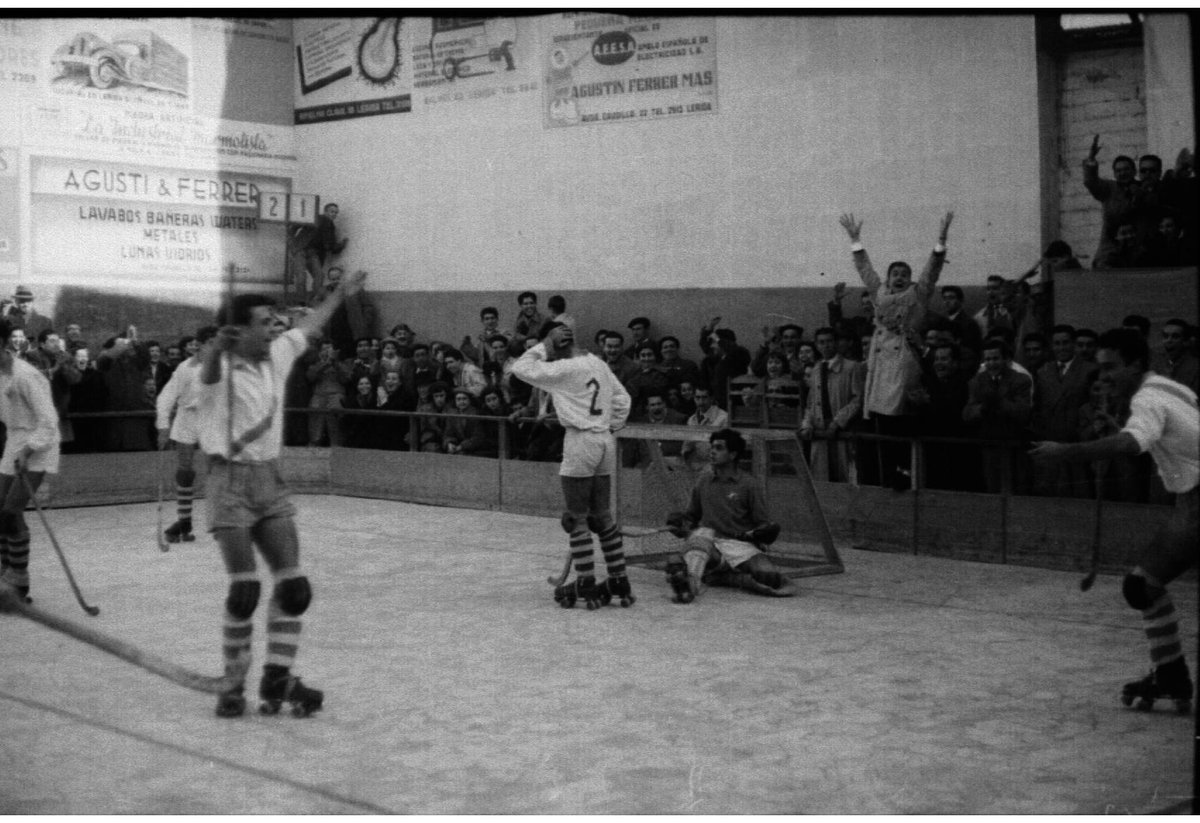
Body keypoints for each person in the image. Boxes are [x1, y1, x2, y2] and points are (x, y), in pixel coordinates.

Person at [197, 268, 368, 718]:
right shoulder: (217, 370)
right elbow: (209, 373)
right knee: (244, 592)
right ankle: (233, 683)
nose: (274, 326)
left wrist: (339, 294)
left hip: (270, 480)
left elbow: (308, 326)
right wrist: (217, 346)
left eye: (274, 320)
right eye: (264, 321)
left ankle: (277, 676)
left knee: (294, 588)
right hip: (229, 483)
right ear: (238, 331)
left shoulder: (277, 354)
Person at [1030, 328, 1199, 712]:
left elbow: (1131, 443)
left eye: (1111, 368)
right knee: (1142, 586)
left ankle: (1171, 676)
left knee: (1142, 586)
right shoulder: (1169, 387)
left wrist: (1065, 452)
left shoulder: (1146, 399)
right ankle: (1171, 676)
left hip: (1195, 505)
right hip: (1190, 503)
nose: (1104, 377)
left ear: (1136, 364)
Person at [510, 319, 634, 609]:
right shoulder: (598, 363)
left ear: (556, 343)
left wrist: (545, 345)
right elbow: (623, 400)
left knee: (575, 518)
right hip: (604, 440)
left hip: (580, 440)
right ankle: (619, 579)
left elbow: (520, 368)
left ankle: (586, 581)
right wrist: (608, 426)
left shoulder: (564, 368)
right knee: (602, 516)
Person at [839, 210, 953, 489]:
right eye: (895, 274)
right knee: (881, 428)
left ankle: (905, 475)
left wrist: (941, 241)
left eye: (905, 274)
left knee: (901, 423)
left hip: (904, 362)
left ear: (910, 279)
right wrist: (855, 240)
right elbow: (865, 269)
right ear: (888, 278)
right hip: (880, 368)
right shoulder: (878, 293)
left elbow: (932, 271)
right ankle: (886, 476)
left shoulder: (917, 295)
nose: (899, 277)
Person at [663, 428, 796, 603]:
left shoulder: (749, 485)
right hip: (710, 543)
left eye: (719, 448)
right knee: (699, 539)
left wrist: (765, 532)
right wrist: (679, 524)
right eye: (712, 447)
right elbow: (691, 517)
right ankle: (690, 587)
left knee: (768, 576)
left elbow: (762, 523)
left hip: (740, 546)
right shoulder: (703, 481)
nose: (712, 451)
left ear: (733, 455)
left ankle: (723, 575)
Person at [0, 318, 60, 604]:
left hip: (41, 441)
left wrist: (28, 449)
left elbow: (48, 421)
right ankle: (4, 573)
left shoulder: (26, 376)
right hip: (14, 440)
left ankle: (19, 580)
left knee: (11, 511)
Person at [155, 325, 218, 542]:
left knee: (217, 470)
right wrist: (163, 426)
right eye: (211, 344)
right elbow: (165, 397)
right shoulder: (185, 368)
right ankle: (184, 521)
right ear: (200, 345)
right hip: (187, 419)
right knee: (185, 471)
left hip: (211, 419)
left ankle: (218, 521)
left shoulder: (224, 365)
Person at [963, 338, 1033, 494]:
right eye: (988, 359)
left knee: (1016, 486)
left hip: (1014, 443)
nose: (991, 363)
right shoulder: (977, 381)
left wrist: (999, 402)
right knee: (992, 486)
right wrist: (983, 408)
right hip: (989, 442)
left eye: (995, 358)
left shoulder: (1021, 380)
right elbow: (967, 413)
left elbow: (1023, 411)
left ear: (1006, 360)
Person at [800, 327, 865, 482]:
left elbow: (857, 399)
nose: (826, 346)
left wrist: (838, 422)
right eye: (822, 342)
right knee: (821, 477)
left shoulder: (851, 367)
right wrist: (807, 424)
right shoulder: (816, 369)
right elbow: (811, 402)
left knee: (844, 476)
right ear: (817, 345)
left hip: (842, 430)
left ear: (836, 343)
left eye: (829, 341)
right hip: (820, 430)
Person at [1082, 136, 1144, 269]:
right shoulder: (1109, 189)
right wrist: (1091, 158)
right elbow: (1091, 182)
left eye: (1126, 169)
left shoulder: (1141, 189)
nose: (1123, 173)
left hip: (1137, 248)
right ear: (1114, 174)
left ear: (1134, 171)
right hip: (1111, 249)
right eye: (1118, 171)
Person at [299, 203, 348, 305]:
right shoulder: (327, 222)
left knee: (307, 276)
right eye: (332, 211)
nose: (334, 214)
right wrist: (342, 244)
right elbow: (329, 245)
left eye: (336, 212)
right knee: (319, 276)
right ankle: (314, 302)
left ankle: (305, 301)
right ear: (325, 212)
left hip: (301, 250)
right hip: (312, 252)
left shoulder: (315, 219)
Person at [1152, 319, 1198, 393]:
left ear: (1185, 341)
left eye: (1175, 337)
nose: (1169, 340)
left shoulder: (1195, 367)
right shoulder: (1157, 363)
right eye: (1165, 336)